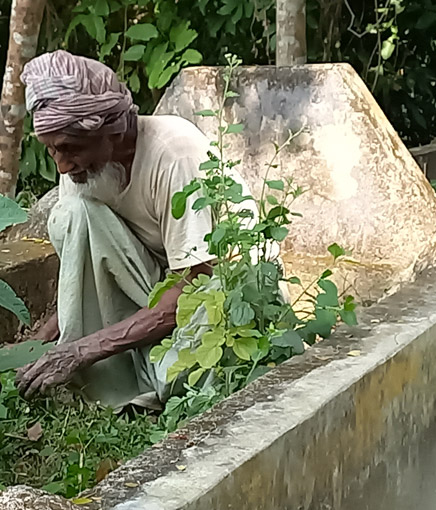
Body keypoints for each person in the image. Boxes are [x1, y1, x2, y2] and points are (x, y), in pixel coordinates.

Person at [14, 50, 260, 409]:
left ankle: (140, 377)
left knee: (194, 371)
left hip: (217, 288)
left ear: (109, 129)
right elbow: (81, 271)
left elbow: (193, 284)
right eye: (51, 150)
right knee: (73, 213)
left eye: (70, 148)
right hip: (154, 283)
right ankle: (124, 375)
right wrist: (38, 346)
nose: (62, 164)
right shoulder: (81, 168)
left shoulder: (173, 155)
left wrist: (82, 350)